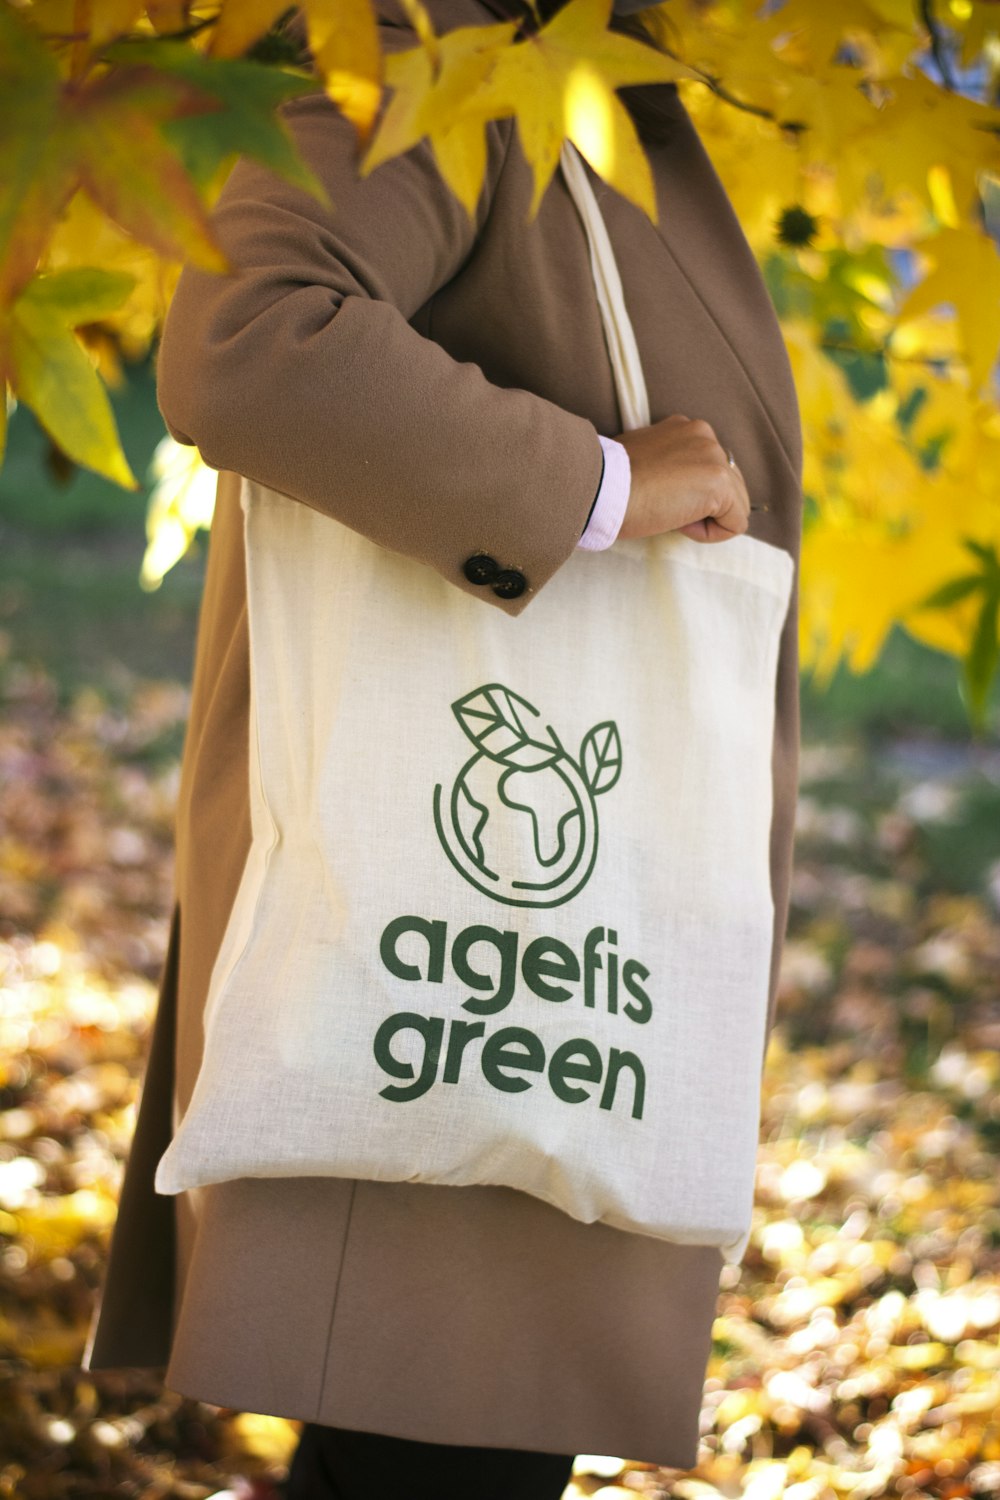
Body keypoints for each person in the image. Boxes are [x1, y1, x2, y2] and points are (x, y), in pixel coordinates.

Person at [81, 0, 803, 1494]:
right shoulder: (433, 46)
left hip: (545, 954)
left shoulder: (587, 69)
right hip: (451, 938)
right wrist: (597, 486)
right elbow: (251, 339)